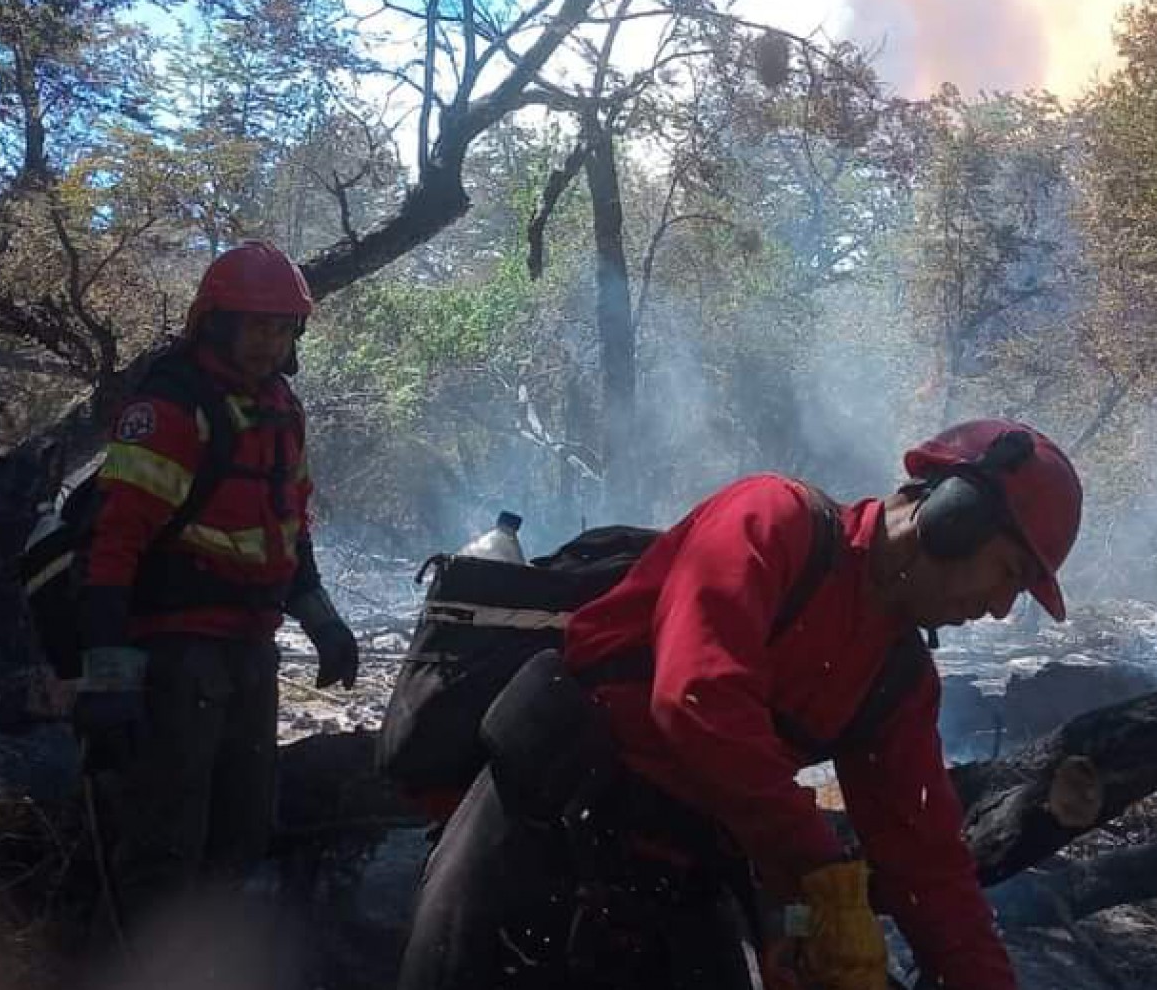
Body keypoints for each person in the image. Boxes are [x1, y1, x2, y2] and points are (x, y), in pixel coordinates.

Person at [398, 418, 1082, 990]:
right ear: (955, 516)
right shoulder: (771, 520)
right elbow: (697, 702)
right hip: (533, 829)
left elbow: (928, 867)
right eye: (1008, 574)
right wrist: (819, 870)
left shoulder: (898, 681)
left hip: (683, 876)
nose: (998, 607)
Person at [72, 240, 360, 928]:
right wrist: (109, 682)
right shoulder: (173, 407)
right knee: (166, 838)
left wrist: (322, 620)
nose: (270, 341)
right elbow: (114, 549)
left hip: (251, 649)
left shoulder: (281, 409)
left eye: (283, 327)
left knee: (244, 828)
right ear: (217, 323)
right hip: (176, 654)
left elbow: (290, 526)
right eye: (257, 325)